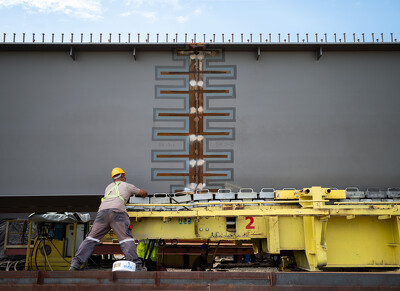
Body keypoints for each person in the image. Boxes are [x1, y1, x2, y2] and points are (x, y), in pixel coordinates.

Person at [70, 167, 148, 271]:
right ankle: (136, 266)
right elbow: (142, 193)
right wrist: (145, 193)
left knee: (91, 239)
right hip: (118, 213)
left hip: (102, 214)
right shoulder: (127, 185)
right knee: (126, 239)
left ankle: (75, 264)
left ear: (113, 179)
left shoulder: (108, 187)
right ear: (123, 177)